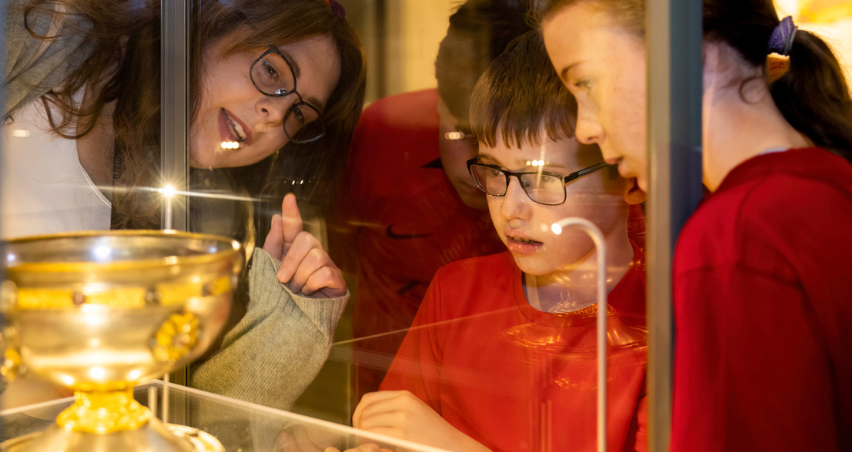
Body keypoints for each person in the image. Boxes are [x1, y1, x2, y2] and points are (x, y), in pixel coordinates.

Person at [536, 0, 852, 450]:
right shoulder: (843, 186)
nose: (584, 128)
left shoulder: (737, 233)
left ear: (690, 52)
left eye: (586, 81)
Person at [0, 0, 365, 412]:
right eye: (272, 71)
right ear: (209, 23)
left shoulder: (214, 222)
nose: (273, 114)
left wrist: (283, 319)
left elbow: (179, 423)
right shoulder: (47, 41)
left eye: (298, 114)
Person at [343, 31, 648, 452]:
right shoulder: (456, 291)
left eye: (543, 179)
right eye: (494, 173)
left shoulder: (664, 323)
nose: (510, 209)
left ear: (626, 171)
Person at [327, 0, 532, 400]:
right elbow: (345, 261)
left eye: (506, 143)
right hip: (377, 402)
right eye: (463, 133)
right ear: (439, 100)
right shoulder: (381, 134)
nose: (482, 166)